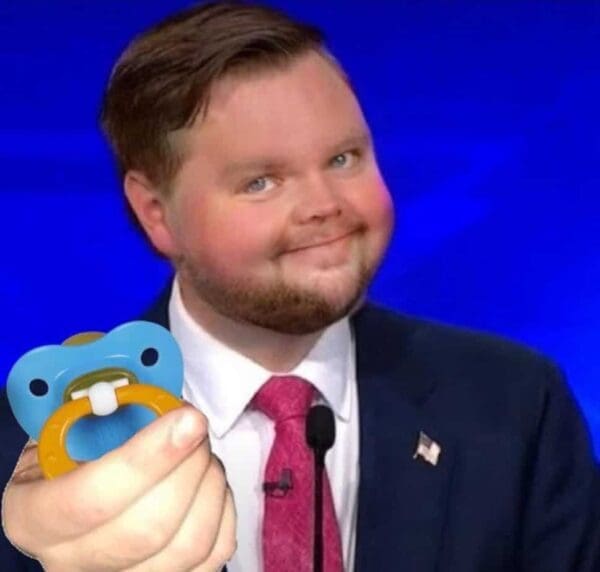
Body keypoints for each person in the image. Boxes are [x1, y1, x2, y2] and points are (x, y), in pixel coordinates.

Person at [1, 2, 599, 571]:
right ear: (157, 213)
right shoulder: (24, 448)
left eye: (343, 159)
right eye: (262, 181)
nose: (324, 205)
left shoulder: (517, 403)